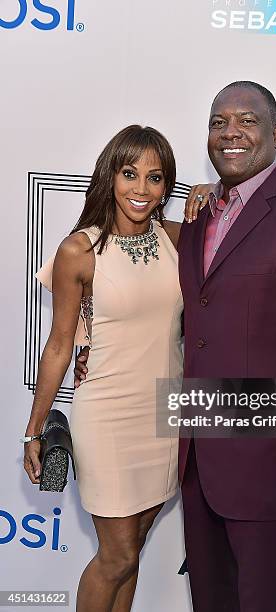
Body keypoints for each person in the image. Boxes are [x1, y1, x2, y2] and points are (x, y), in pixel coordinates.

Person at [75, 82, 276, 612]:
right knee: (211, 598)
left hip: (271, 460)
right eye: (218, 122)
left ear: (275, 134)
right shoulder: (200, 215)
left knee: (262, 601)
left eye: (247, 121)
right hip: (197, 455)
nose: (231, 132)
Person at [23, 124, 210, 612]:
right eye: (130, 174)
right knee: (117, 555)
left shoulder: (175, 237)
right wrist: (34, 428)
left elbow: (239, 224)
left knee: (133, 554)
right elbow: (61, 345)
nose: (142, 190)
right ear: (111, 175)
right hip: (107, 415)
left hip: (165, 417)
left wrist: (215, 191)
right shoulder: (79, 250)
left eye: (155, 178)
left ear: (167, 186)